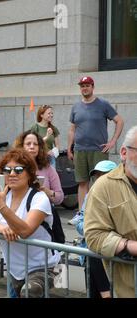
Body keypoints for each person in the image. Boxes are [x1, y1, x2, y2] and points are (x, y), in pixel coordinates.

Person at [0, 148, 60, 298]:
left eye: (19, 170)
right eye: (7, 170)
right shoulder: (3, 194)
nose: (12, 174)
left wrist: (1, 207)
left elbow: (25, 230)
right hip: (15, 270)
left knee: (28, 293)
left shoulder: (39, 198)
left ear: (29, 173)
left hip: (42, 268)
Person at [84, 126, 137, 298]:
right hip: (128, 287)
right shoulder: (103, 187)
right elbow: (93, 235)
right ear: (123, 152)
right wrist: (129, 246)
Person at [67, 76, 124, 210]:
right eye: (82, 86)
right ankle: (81, 213)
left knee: (100, 182)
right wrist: (70, 148)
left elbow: (119, 121)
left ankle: (99, 213)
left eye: (87, 85)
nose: (84, 88)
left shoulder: (103, 104)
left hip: (99, 150)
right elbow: (72, 129)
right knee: (82, 182)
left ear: (93, 87)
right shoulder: (76, 107)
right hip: (80, 150)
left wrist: (112, 141)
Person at [75, 160, 117, 298]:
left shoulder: (122, 197)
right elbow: (79, 223)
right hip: (92, 253)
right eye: (97, 176)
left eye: (104, 175)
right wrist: (92, 228)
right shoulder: (90, 195)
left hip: (113, 256)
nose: (99, 179)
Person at [14, 131, 64, 207]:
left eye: (35, 144)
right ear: (21, 147)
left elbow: (59, 198)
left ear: (39, 147)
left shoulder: (48, 169)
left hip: (42, 213)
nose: (32, 147)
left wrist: (46, 191)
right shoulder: (14, 168)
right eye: (28, 144)